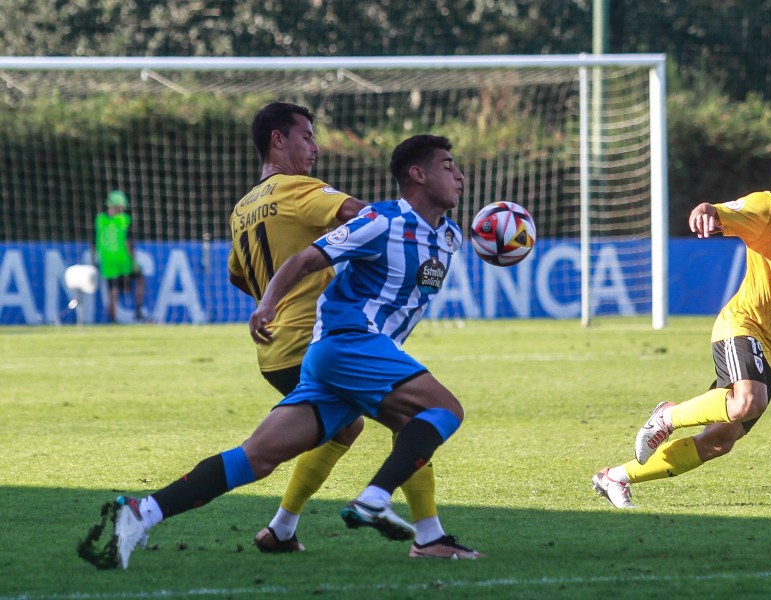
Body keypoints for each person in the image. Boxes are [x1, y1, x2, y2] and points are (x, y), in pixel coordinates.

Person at [81, 133, 481, 570]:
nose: (459, 174)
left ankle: (142, 514)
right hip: (348, 340)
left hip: (341, 359)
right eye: (448, 165)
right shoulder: (381, 220)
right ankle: (377, 501)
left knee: (257, 457)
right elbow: (305, 259)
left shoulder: (449, 237)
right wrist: (267, 303)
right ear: (418, 174)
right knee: (444, 410)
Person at [227, 102, 474, 559]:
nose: (315, 147)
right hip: (325, 336)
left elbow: (238, 276)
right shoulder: (301, 190)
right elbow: (362, 217)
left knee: (346, 427)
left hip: (275, 346)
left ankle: (281, 528)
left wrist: (269, 303)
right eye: (306, 137)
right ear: (278, 140)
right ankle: (423, 532)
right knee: (414, 418)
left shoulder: (243, 208)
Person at [592, 134, 771, 509]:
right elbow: (718, 210)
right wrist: (706, 210)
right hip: (743, 324)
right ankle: (667, 416)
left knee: (719, 441)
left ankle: (615, 477)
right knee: (748, 401)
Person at [94, 190, 145, 323]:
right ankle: (138, 310)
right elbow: (127, 242)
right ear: (117, 206)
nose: (122, 209)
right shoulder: (124, 219)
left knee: (113, 290)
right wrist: (134, 262)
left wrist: (95, 259)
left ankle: (113, 320)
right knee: (140, 279)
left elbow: (93, 241)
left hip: (106, 259)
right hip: (123, 258)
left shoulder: (99, 219)